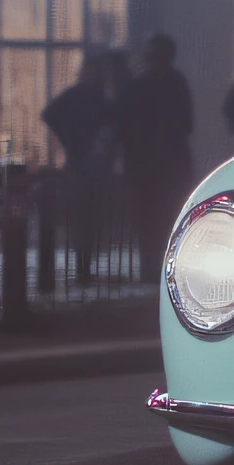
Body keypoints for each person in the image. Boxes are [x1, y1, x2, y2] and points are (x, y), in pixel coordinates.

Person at [119, 33, 195, 284]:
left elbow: (127, 126)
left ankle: (149, 271)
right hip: (173, 164)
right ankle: (170, 270)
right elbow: (187, 124)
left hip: (145, 165)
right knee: (171, 218)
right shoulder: (177, 81)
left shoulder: (139, 83)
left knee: (146, 221)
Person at [42, 55, 115, 281]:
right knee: (85, 217)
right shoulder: (96, 98)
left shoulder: (86, 97)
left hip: (85, 162)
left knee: (87, 217)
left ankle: (84, 265)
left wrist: (69, 140)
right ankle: (83, 265)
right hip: (87, 163)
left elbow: (50, 114)